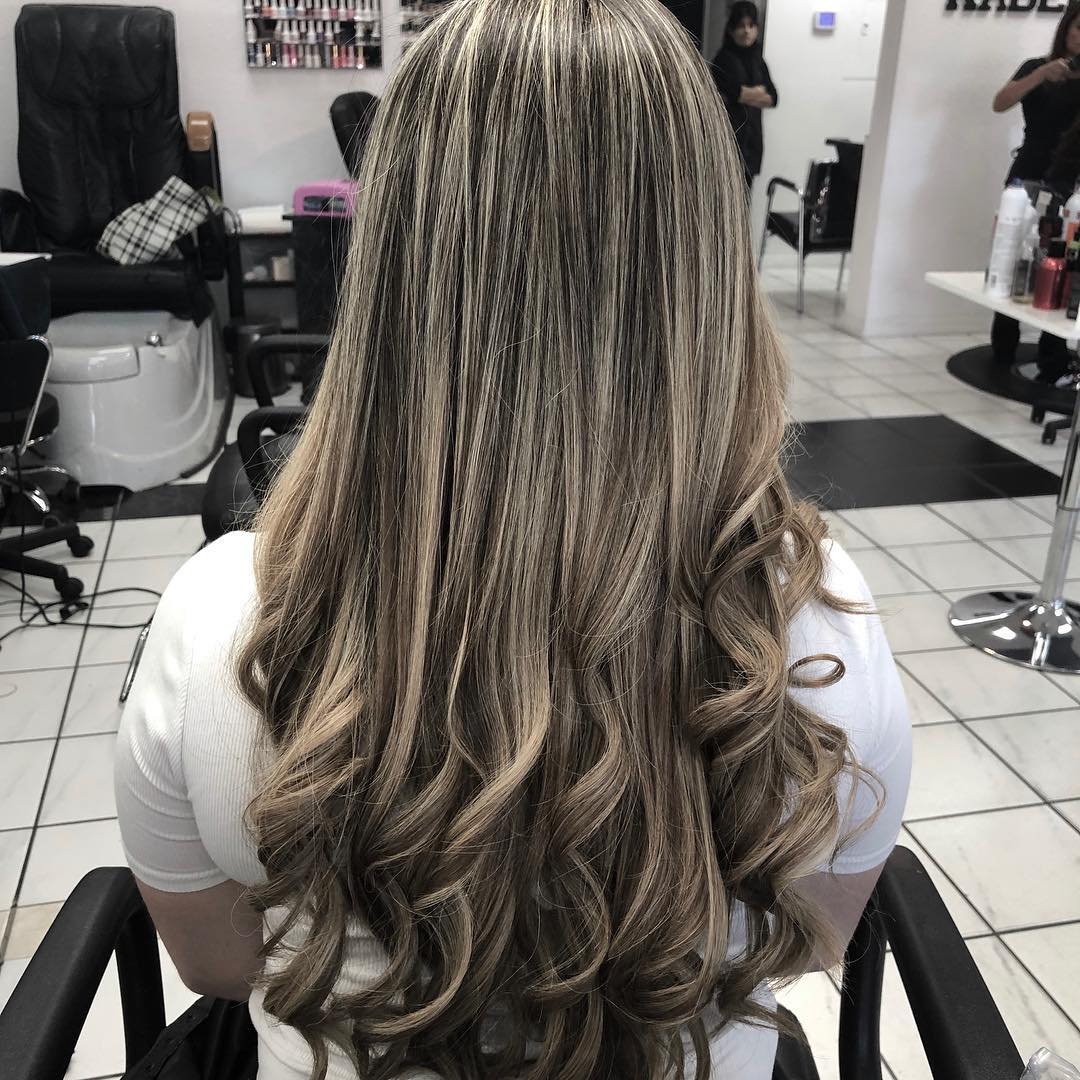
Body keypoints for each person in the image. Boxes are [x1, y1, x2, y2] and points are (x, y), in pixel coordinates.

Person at [115, 1, 911, 1078]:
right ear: (706, 270)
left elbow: (217, 965)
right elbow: (809, 944)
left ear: (394, 255)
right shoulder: (821, 629)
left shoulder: (220, 620)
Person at [989, 0, 1080, 378]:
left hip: (1069, 181)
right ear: (1066, 28)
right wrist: (1042, 74)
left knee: (1060, 266)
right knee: (1011, 254)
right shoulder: (1036, 68)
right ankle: (1002, 348)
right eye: (1077, 28)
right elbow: (1000, 102)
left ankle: (1052, 355)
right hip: (1027, 174)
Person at [711, 1, 777, 189]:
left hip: (752, 144)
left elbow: (773, 97)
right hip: (728, 143)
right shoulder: (723, 59)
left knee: (745, 201)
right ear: (731, 30)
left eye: (751, 25)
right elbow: (732, 92)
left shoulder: (758, 60)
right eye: (741, 26)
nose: (747, 31)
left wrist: (743, 93)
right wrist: (757, 92)